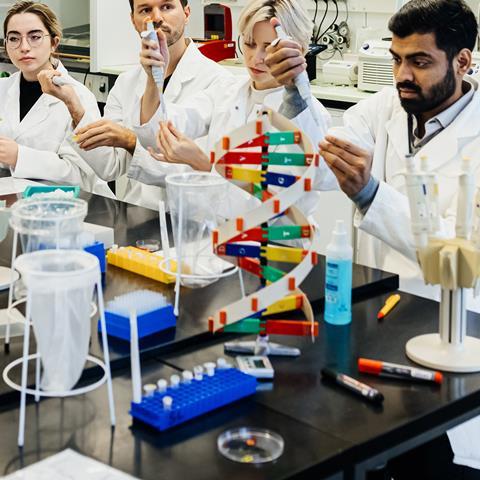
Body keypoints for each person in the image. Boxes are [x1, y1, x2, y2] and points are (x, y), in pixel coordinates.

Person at [267, 0, 480, 477]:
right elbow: (322, 164)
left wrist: (371, 193)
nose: (403, 74)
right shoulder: (385, 108)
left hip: (455, 334)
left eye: (420, 61)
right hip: (377, 328)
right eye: (396, 58)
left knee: (432, 460)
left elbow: (462, 258)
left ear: (463, 61)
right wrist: (297, 89)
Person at [126, 0, 336, 218]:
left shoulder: (308, 115)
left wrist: (203, 164)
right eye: (249, 43)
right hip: (215, 238)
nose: (256, 58)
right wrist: (153, 79)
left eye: (269, 48)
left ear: (298, 49)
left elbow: (269, 204)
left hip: (276, 245)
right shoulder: (226, 92)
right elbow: (158, 131)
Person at [59, 0, 232, 210]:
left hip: (192, 217)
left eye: (167, 6)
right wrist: (74, 107)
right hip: (138, 213)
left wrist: (131, 141)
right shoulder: (126, 83)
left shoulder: (220, 82)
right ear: (134, 20)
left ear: (187, 13)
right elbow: (109, 167)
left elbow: (202, 171)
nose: (157, 17)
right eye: (145, 10)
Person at [0, 1, 111, 195]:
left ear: (54, 43)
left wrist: (20, 156)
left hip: (72, 206)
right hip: (16, 200)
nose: (24, 47)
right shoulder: (3, 89)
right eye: (14, 38)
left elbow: (84, 174)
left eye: (34, 37)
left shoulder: (78, 96)